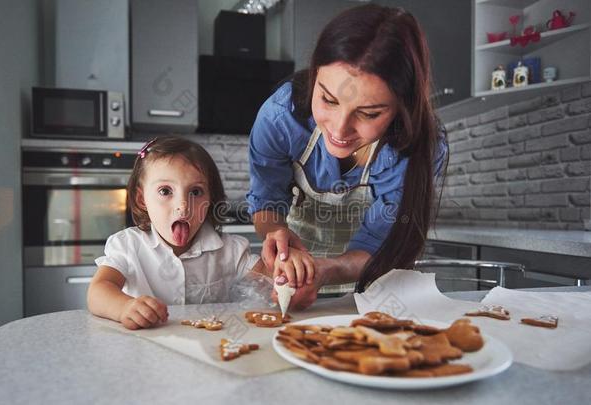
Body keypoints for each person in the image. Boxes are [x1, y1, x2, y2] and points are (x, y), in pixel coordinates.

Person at [247, 4, 448, 308]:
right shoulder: (280, 118)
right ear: (315, 75)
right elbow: (266, 200)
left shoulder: (418, 148)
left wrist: (327, 269)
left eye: (368, 113)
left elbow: (383, 244)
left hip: (376, 281)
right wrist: (276, 233)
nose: (339, 129)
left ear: (400, 108)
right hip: (292, 271)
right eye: (327, 99)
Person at [87, 137, 269, 330]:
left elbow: (270, 278)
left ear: (210, 199)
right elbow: (98, 291)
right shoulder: (127, 246)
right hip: (145, 351)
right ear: (142, 200)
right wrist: (124, 307)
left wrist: (288, 274)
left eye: (196, 192)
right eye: (165, 191)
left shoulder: (232, 250)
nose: (183, 206)